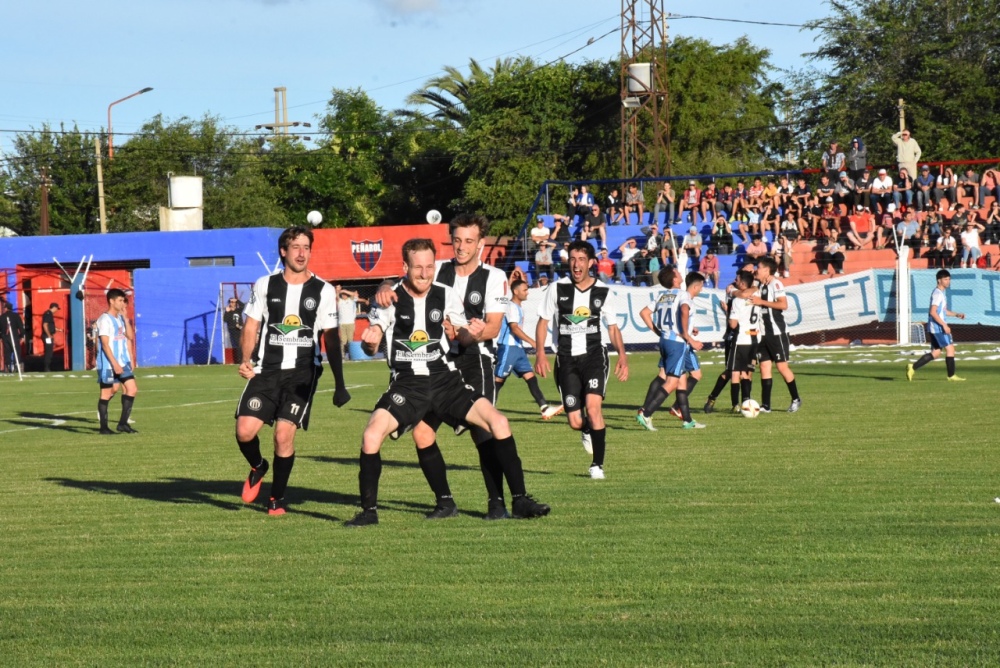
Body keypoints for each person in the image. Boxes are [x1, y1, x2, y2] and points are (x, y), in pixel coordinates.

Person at [353, 238, 549, 526]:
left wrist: (475, 331)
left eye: (429, 266)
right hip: (408, 384)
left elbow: (461, 335)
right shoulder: (389, 298)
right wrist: (370, 342)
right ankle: (370, 513)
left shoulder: (445, 294)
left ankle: (519, 499)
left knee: (499, 423)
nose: (424, 273)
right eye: (417, 267)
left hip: (446, 381)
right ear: (404, 267)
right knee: (372, 436)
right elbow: (374, 339)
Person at [235, 226, 351, 516]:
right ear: (283, 251)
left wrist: (340, 384)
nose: (302, 253)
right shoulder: (265, 285)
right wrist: (246, 358)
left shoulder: (322, 290)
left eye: (306, 247)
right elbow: (251, 325)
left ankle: (276, 499)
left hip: (303, 374)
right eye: (296, 247)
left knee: (283, 436)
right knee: (245, 432)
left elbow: (331, 337)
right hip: (266, 371)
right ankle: (259, 465)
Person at [534, 240, 629, 479]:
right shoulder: (556, 289)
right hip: (565, 359)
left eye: (581, 260)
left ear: (591, 263)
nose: (576, 265)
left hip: (595, 356)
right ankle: (585, 429)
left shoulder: (603, 292)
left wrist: (623, 357)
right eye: (573, 259)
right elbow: (543, 323)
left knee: (594, 409)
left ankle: (597, 465)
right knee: (575, 421)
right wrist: (540, 354)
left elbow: (613, 328)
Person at [635, 270, 707, 431]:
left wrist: (658, 332)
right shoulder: (683, 295)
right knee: (672, 381)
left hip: (665, 340)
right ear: (675, 279)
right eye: (677, 272)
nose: (680, 273)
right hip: (677, 343)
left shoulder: (663, 296)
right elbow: (683, 311)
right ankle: (646, 414)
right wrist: (688, 337)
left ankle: (687, 420)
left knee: (681, 380)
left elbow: (644, 313)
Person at [495, 279, 563, 420]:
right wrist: (533, 342)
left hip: (518, 349)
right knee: (498, 380)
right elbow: (514, 328)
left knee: (530, 378)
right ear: (516, 291)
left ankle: (544, 408)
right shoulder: (511, 306)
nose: (528, 292)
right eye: (525, 290)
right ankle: (485, 409)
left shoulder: (518, 307)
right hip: (509, 347)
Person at [751, 257, 801, 413]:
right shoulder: (759, 284)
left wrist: (762, 302)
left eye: (758, 267)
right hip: (763, 334)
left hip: (777, 333)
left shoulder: (776, 283)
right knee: (764, 367)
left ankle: (796, 399)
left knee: (781, 367)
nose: (756, 269)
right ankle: (766, 405)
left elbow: (783, 304)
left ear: (767, 269)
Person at [907, 269, 966, 382]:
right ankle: (951, 376)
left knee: (936, 353)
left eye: (949, 279)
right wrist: (944, 325)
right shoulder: (938, 294)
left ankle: (912, 367)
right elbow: (932, 312)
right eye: (945, 279)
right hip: (938, 327)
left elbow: (942, 311)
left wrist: (956, 314)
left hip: (935, 327)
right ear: (939, 280)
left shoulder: (940, 293)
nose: (948, 281)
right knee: (950, 349)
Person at [95, 289, 139, 435]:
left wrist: (126, 319)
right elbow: (105, 345)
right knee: (107, 393)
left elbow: (130, 337)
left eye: (123, 300)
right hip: (109, 364)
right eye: (120, 300)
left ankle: (122, 424)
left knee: (132, 389)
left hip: (123, 361)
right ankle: (104, 428)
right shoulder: (104, 319)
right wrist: (114, 364)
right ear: (111, 301)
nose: (122, 303)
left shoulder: (120, 318)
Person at [725, 270, 761, 410]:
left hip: (741, 339)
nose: (735, 281)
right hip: (754, 338)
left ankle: (735, 405)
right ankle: (747, 401)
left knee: (735, 372)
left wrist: (729, 316)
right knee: (746, 372)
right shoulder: (757, 294)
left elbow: (733, 324)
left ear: (742, 283)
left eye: (737, 280)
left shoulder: (738, 299)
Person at [0, 301, 25, 374]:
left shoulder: (2, 317)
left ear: (6, 308)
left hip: (5, 336)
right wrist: (22, 336)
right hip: (14, 335)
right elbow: (20, 326)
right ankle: (17, 366)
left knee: (7, 352)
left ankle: (7, 367)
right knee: (16, 351)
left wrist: (1, 336)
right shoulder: (16, 316)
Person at [224, 298, 245, 364]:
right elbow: (225, 320)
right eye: (231, 302)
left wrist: (237, 300)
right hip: (233, 330)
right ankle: (239, 360)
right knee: (237, 344)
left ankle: (242, 359)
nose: (232, 303)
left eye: (233, 302)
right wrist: (227, 312)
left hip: (240, 329)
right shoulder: (229, 311)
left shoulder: (238, 311)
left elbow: (242, 305)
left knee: (242, 344)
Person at [41, 302, 60, 372]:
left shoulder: (49, 314)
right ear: (54, 307)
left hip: (48, 335)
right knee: (49, 352)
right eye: (57, 309)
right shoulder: (48, 314)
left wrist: (59, 330)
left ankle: (47, 367)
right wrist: (49, 335)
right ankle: (47, 368)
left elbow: (50, 326)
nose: (57, 310)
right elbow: (45, 325)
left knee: (49, 352)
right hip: (47, 336)